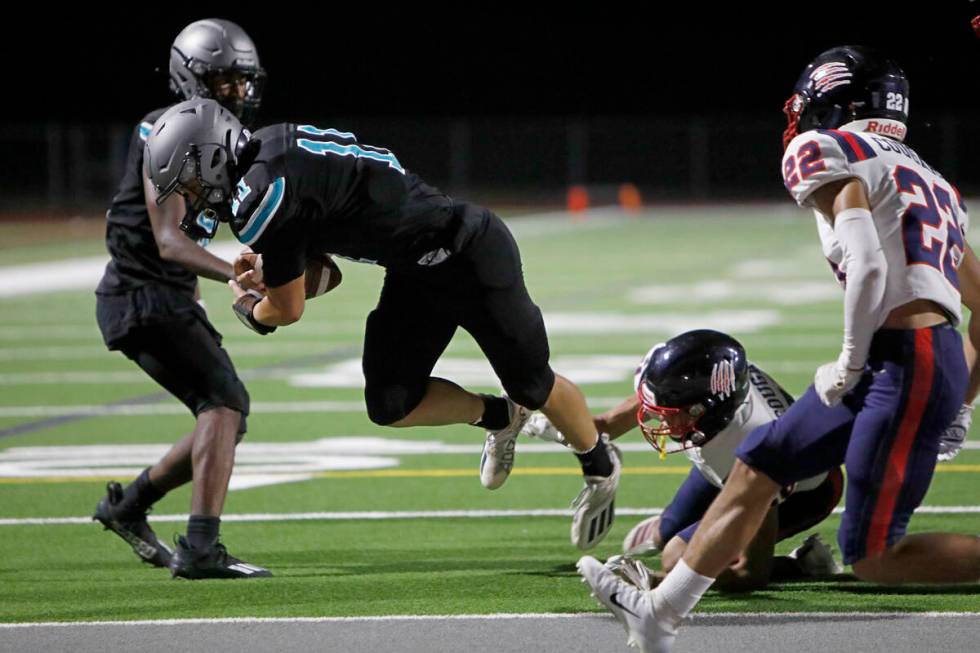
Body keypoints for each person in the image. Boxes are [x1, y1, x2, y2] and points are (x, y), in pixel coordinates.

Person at [577, 46, 980, 652]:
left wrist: (850, 358)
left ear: (832, 101)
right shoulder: (934, 181)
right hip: (916, 356)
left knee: (871, 554)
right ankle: (660, 615)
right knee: (760, 462)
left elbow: (868, 263)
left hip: (901, 359)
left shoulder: (825, 149)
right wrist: (961, 399)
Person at [141, 98, 620, 550]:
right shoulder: (271, 147)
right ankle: (501, 416)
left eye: (190, 182)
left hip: (471, 253)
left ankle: (599, 466)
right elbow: (328, 267)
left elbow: (287, 309)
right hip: (415, 270)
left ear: (210, 157)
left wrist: (248, 306)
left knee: (533, 383)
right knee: (391, 402)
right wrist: (277, 265)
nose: (192, 196)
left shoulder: (264, 196)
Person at [93, 19, 271, 579]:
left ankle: (129, 507)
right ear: (190, 78)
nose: (237, 92)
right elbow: (170, 239)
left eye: (242, 81)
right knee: (225, 403)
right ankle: (199, 548)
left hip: (163, 293)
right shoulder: (165, 127)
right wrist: (233, 277)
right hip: (140, 293)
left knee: (224, 414)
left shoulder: (220, 133)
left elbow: (188, 234)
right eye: (223, 80)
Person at [525, 329, 843, 592]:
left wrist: (656, 582)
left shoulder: (754, 445)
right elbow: (607, 425)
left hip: (801, 492)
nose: (657, 420)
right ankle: (675, 534)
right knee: (664, 535)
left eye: (669, 413)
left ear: (705, 409)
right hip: (727, 463)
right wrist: (552, 424)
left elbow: (751, 572)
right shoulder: (714, 392)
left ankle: (803, 562)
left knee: (678, 558)